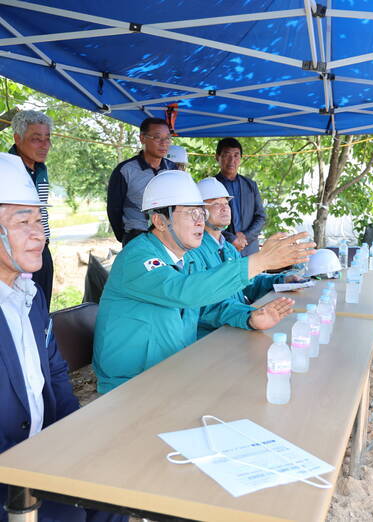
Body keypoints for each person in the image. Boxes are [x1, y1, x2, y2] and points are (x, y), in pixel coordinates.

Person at [93, 170, 314, 393]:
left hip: (174, 373)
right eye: (191, 214)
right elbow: (184, 292)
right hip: (131, 385)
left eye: (201, 213)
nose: (200, 222)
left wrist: (249, 318)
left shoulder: (185, 258)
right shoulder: (137, 257)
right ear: (159, 221)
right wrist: (260, 261)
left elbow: (207, 306)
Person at [0, 153, 125, 522]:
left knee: (114, 493)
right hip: (13, 481)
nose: (39, 234)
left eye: (40, 220)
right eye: (23, 222)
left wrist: (76, 441)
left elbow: (54, 374)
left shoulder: (30, 295)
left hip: (43, 455)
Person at [192, 177, 304, 338]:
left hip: (236, 327)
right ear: (199, 211)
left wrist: (282, 280)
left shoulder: (229, 248)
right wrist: (248, 316)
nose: (224, 208)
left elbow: (249, 283)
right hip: (211, 337)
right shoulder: (193, 251)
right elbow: (207, 306)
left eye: (226, 203)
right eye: (216, 204)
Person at [9, 110, 54, 308]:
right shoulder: (7, 169)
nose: (45, 145)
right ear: (17, 139)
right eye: (36, 139)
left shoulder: (41, 168)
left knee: (42, 304)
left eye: (47, 139)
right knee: (18, 306)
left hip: (41, 246)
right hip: (15, 252)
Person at [107, 117, 175, 246]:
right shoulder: (125, 170)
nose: (164, 143)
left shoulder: (172, 169)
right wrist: (125, 236)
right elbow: (114, 209)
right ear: (142, 138)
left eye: (167, 138)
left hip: (168, 236)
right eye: (157, 137)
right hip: (137, 236)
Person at [215, 137, 265, 256]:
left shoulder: (250, 185)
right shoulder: (211, 185)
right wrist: (232, 239)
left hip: (249, 250)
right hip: (222, 250)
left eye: (236, 155)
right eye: (227, 155)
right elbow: (206, 219)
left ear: (240, 158)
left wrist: (245, 237)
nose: (232, 160)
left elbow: (261, 216)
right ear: (217, 157)